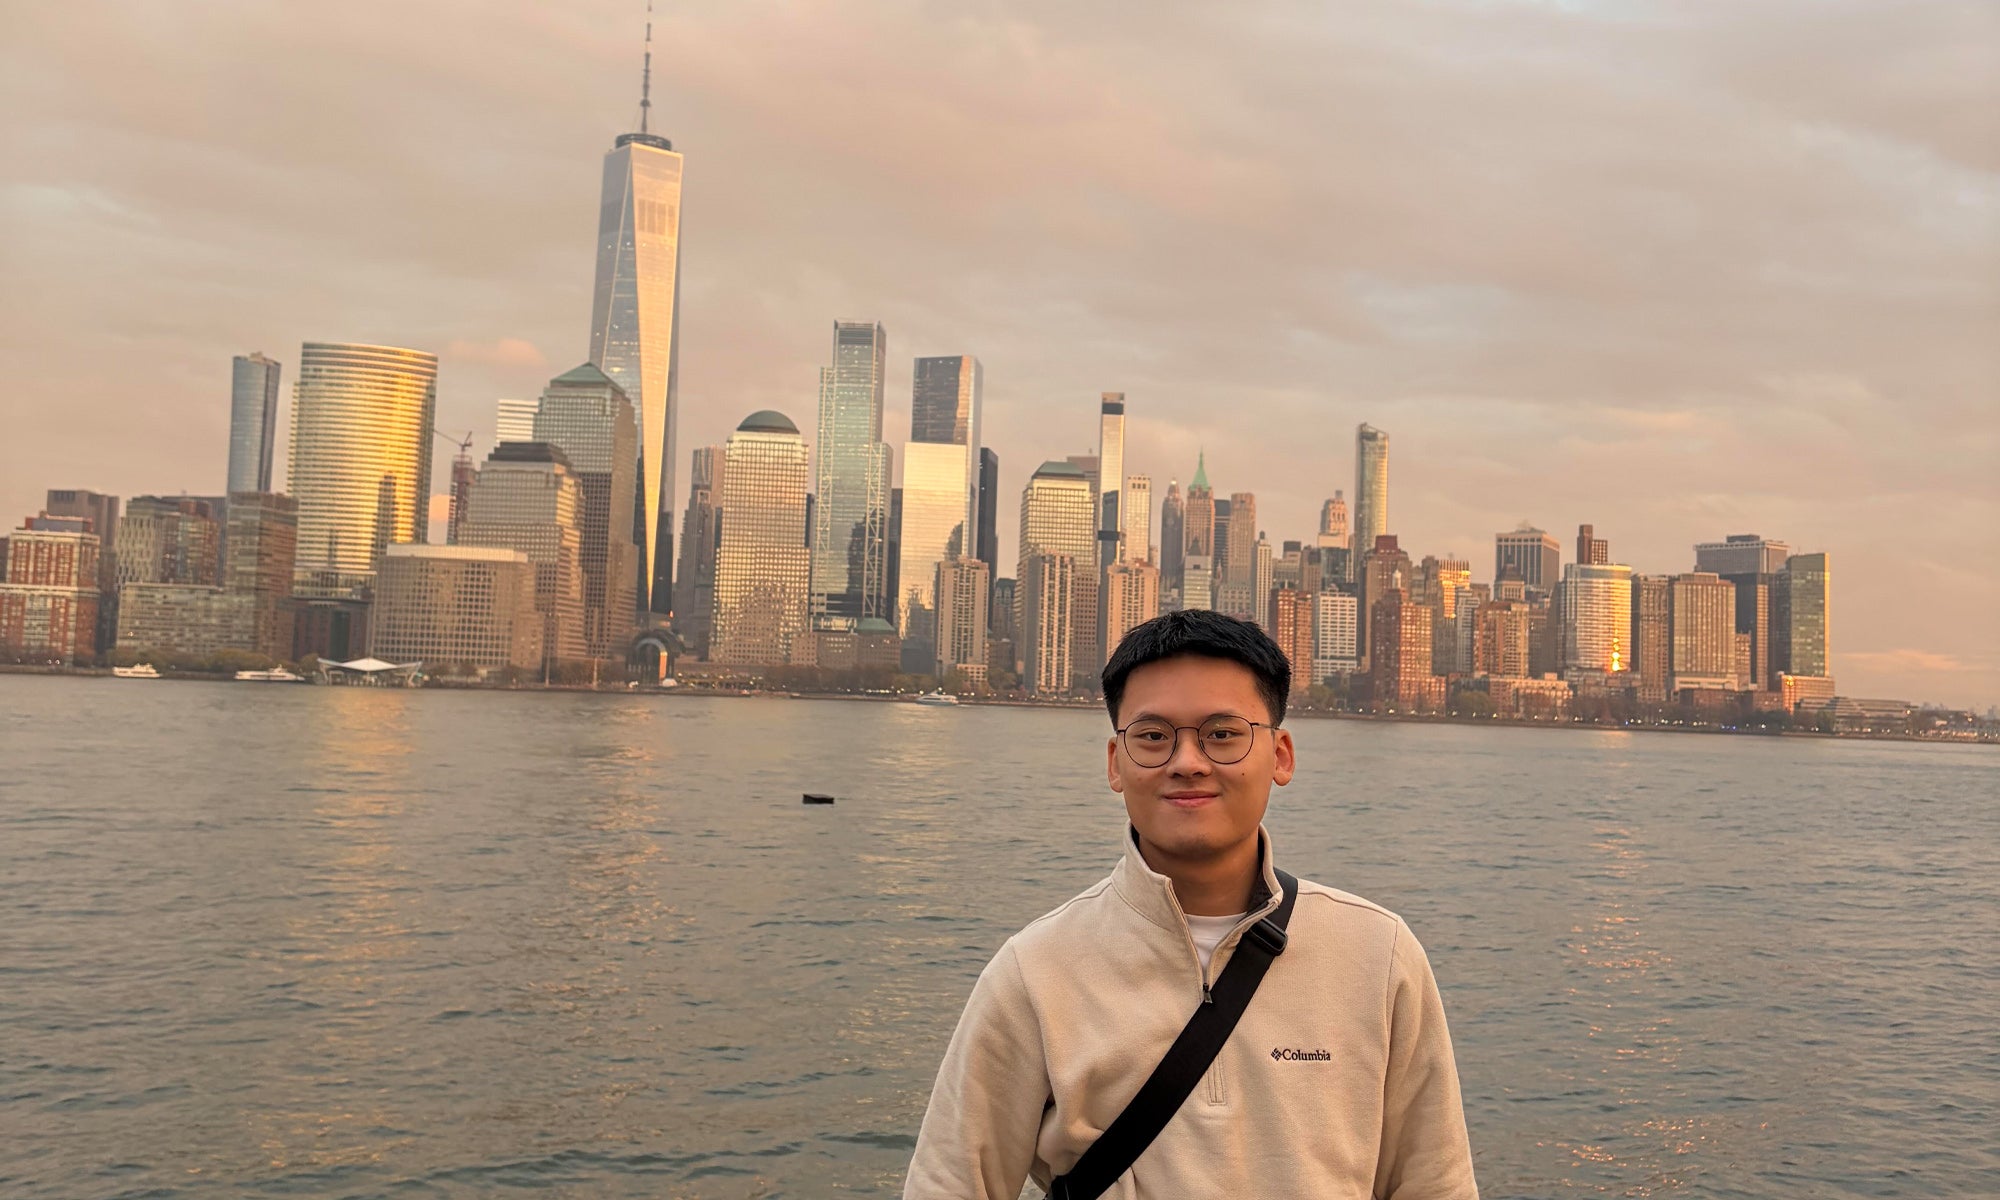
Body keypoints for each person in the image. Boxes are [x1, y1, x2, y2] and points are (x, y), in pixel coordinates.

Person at [903, 610, 1478, 1198]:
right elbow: (949, 1184)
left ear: (1280, 755)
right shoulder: (1035, 971)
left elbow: (1435, 1183)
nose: (1187, 762)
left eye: (1222, 734)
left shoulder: (1378, 955)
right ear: (1114, 763)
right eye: (1153, 737)